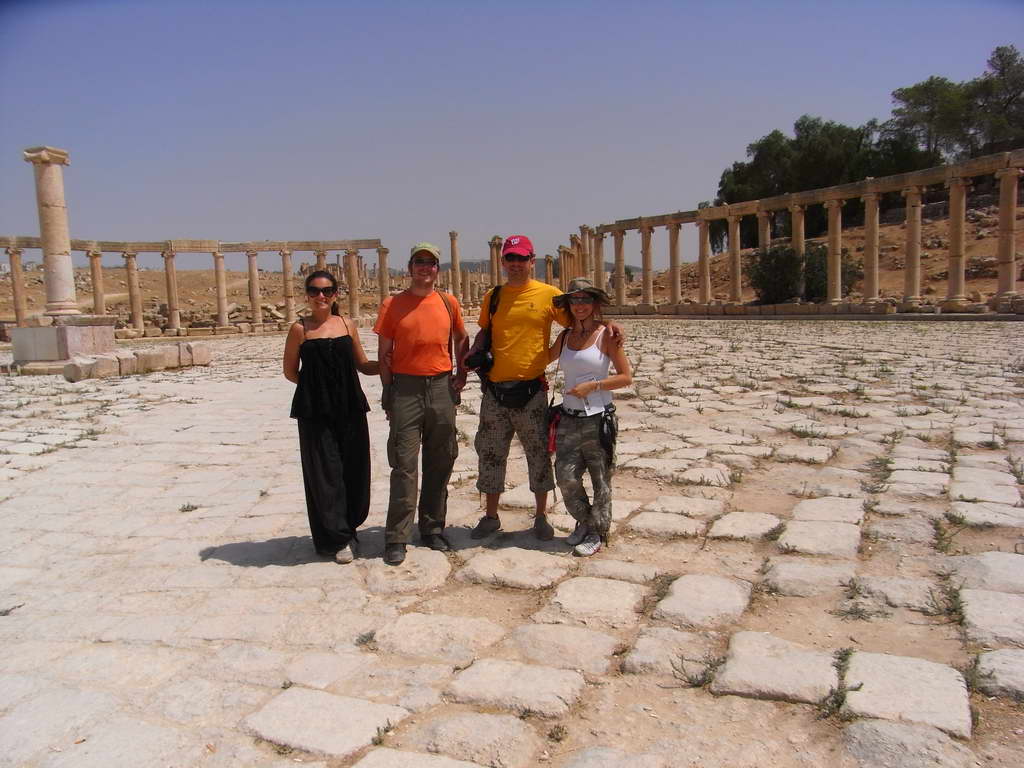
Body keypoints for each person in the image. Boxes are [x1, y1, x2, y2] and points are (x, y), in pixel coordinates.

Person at [465, 235, 623, 540]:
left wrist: (611, 325)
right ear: (503, 261)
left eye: (521, 259)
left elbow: (581, 315)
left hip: (531, 392)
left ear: (531, 261)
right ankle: (490, 515)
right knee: (491, 454)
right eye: (510, 258)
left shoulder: (549, 295)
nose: (515, 264)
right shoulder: (493, 296)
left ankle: (540, 516)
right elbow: (485, 329)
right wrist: (476, 352)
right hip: (494, 390)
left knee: (538, 455)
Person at [375, 243, 469, 566]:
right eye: (419, 262)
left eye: (430, 263)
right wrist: (387, 391)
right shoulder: (392, 304)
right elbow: (383, 350)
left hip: (441, 386)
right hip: (406, 389)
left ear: (437, 270)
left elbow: (461, 338)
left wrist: (461, 373)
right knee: (403, 463)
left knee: (440, 459)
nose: (424, 268)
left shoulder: (448, 302)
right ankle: (397, 536)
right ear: (410, 267)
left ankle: (432, 527)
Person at [283, 269, 378, 563]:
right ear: (307, 295)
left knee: (354, 468)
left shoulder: (347, 324)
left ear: (336, 294)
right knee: (325, 473)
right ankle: (336, 537)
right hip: (315, 411)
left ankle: (349, 527)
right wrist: (318, 388)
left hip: (350, 406)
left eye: (326, 291)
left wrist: (392, 364)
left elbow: (362, 364)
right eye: (313, 291)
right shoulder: (299, 329)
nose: (320, 296)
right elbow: (290, 371)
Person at [548, 278, 632, 556]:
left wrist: (594, 386)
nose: (580, 305)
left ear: (594, 304)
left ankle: (597, 531)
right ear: (569, 305)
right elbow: (540, 358)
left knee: (600, 478)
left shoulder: (607, 335)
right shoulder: (564, 337)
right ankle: (584, 521)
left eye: (585, 299)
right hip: (569, 417)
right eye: (574, 300)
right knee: (565, 476)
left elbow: (625, 377)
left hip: (598, 417)